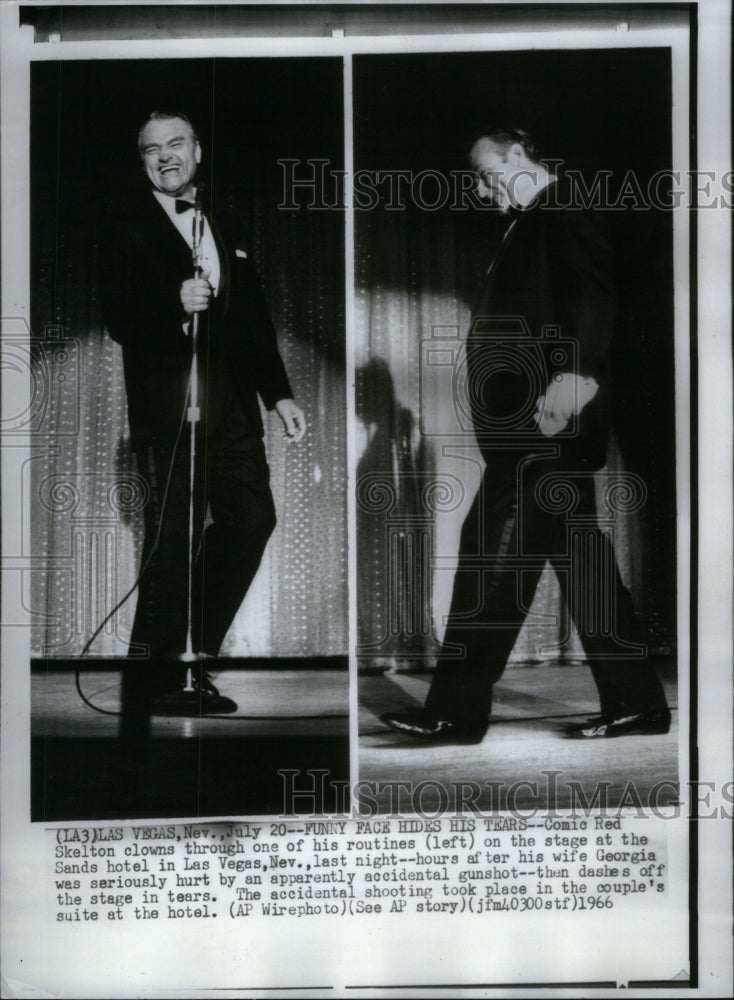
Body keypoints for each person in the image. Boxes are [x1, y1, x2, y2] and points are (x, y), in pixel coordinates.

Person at [381, 126, 670, 743]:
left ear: (519, 155)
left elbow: (592, 301)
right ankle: (639, 702)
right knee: (583, 564)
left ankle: (454, 712)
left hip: (546, 427)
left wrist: (571, 382)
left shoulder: (564, 206)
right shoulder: (531, 220)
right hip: (535, 427)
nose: (484, 190)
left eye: (488, 174)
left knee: (489, 555)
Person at [100, 111, 306, 714]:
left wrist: (280, 394)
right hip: (173, 410)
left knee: (251, 520)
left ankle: (191, 658)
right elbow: (117, 316)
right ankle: (155, 681)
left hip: (235, 409)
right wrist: (172, 302)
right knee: (172, 545)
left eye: (175, 144)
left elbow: (252, 320)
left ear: (197, 151)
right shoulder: (125, 224)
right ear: (142, 161)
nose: (165, 156)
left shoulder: (222, 219)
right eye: (151, 150)